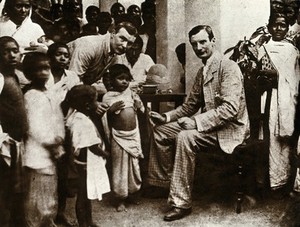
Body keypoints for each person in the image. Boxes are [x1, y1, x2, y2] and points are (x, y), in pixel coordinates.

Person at [147, 25, 249, 221]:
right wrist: (166, 117)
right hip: (209, 126)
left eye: (203, 42)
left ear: (213, 41)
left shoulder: (228, 67)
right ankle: (164, 184)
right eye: (195, 44)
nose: (199, 47)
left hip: (230, 129)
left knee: (185, 136)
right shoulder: (203, 71)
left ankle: (181, 203)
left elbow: (230, 109)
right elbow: (189, 105)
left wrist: (195, 122)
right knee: (161, 131)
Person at [256, 13, 299, 196]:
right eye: (275, 25)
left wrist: (277, 76)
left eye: (283, 25)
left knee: (285, 141)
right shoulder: (262, 49)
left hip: (286, 100)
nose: (279, 29)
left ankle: (284, 182)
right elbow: (257, 76)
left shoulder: (292, 51)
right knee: (269, 138)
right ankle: (271, 183)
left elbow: (295, 79)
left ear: (288, 28)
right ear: (269, 26)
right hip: (268, 98)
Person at [22, 52, 65, 227]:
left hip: (52, 152)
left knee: (49, 196)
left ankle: (48, 222)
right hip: (38, 154)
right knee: (37, 199)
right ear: (29, 73)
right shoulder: (31, 96)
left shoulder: (50, 93)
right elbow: (35, 127)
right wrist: (52, 143)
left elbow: (57, 118)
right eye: (38, 69)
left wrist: (59, 139)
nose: (43, 73)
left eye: (46, 68)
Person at [65, 84, 110, 227]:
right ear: (87, 105)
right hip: (85, 165)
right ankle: (83, 223)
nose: (97, 104)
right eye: (96, 100)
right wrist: (106, 154)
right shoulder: (82, 122)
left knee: (87, 194)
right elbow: (92, 146)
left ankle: (88, 221)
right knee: (83, 196)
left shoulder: (78, 115)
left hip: (83, 162)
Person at [102, 64, 144, 212]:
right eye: (120, 79)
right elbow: (102, 117)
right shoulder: (108, 96)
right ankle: (120, 198)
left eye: (127, 79)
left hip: (132, 135)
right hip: (118, 137)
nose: (124, 82)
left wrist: (139, 105)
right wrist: (110, 111)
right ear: (111, 80)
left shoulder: (131, 94)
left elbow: (141, 110)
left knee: (134, 167)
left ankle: (132, 193)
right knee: (119, 168)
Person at [46, 42, 80, 226]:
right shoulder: (44, 76)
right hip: (44, 128)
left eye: (66, 56)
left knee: (62, 172)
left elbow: (79, 100)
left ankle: (60, 212)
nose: (63, 58)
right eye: (58, 55)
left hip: (65, 128)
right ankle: (44, 212)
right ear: (50, 57)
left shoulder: (72, 77)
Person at [0, 36, 28, 227]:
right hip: (4, 143)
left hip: (17, 142)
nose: (11, 55)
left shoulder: (16, 75)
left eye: (15, 50)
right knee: (4, 189)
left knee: (17, 188)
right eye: (6, 51)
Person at [67, 21, 137, 88]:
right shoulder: (90, 45)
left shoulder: (117, 54)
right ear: (113, 33)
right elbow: (72, 80)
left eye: (130, 43)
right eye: (122, 39)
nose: (125, 46)